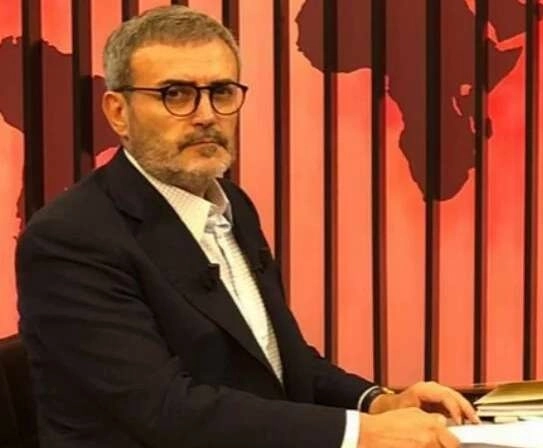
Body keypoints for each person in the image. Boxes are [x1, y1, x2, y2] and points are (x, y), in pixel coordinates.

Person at [15, 6, 477, 448]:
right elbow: (166, 412)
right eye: (175, 94)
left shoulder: (233, 204)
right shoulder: (70, 239)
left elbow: (279, 359)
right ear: (118, 112)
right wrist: (360, 434)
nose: (206, 115)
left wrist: (376, 402)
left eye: (221, 92)